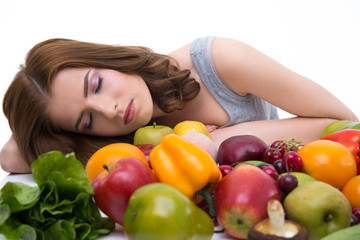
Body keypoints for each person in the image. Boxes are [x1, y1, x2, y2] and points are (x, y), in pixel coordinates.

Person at [1, 36, 358, 173]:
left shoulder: (221, 61)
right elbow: (11, 157)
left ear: (109, 59)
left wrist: (216, 142)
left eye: (97, 84)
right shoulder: (113, 143)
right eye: (87, 120)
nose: (110, 110)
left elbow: (345, 123)